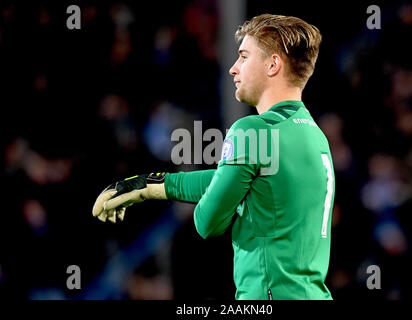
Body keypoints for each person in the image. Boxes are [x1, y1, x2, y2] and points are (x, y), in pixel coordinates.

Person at [92, 14, 335, 300]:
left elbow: (208, 222)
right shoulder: (313, 135)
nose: (234, 68)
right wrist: (153, 186)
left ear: (273, 65)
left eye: (244, 57)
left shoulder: (252, 130)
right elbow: (238, 178)